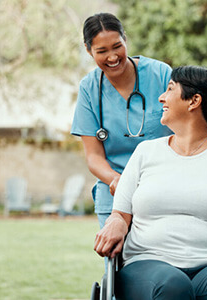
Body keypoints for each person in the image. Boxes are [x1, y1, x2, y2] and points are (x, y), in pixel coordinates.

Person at [94, 65, 207, 300]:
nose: (162, 97)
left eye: (170, 89)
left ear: (194, 101)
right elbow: (121, 214)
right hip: (148, 263)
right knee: (172, 286)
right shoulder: (145, 152)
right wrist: (115, 222)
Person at [71, 13, 172, 229]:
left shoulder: (161, 74)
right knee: (120, 260)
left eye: (117, 46)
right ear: (89, 51)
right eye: (101, 51)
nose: (112, 56)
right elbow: (94, 157)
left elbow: (185, 132)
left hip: (164, 190)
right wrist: (119, 181)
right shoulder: (89, 89)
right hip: (115, 192)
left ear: (125, 39)